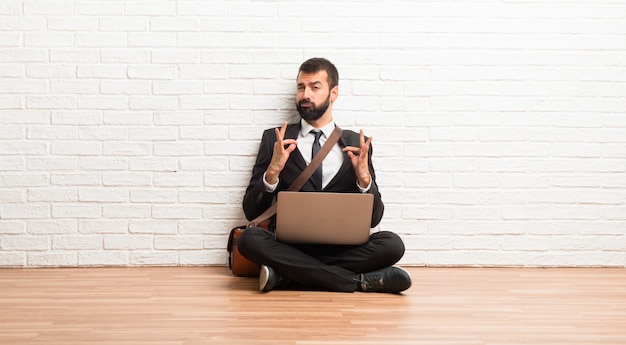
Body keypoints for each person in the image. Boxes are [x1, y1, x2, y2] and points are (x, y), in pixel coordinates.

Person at [238, 58, 411, 294]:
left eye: (315, 87)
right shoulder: (275, 139)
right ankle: (358, 282)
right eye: (301, 87)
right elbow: (251, 211)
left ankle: (289, 276)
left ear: (334, 93)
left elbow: (374, 219)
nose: (305, 94)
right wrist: (272, 172)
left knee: (392, 244)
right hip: (289, 246)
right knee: (250, 240)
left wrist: (364, 180)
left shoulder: (355, 144)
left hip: (341, 248)